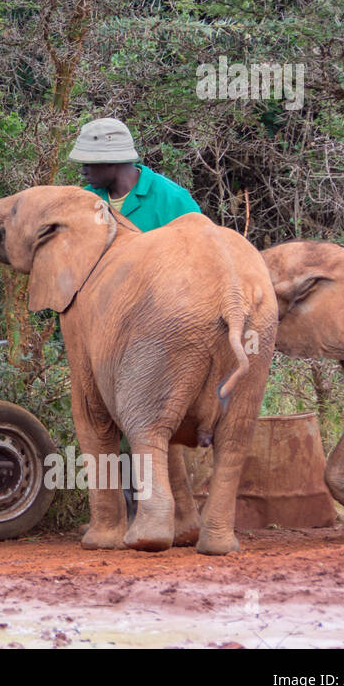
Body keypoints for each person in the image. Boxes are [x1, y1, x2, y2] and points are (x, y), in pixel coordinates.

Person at [69, 115, 202, 518]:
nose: (84, 169)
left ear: (115, 161)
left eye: (91, 161)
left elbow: (202, 265)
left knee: (150, 423)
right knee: (104, 423)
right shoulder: (84, 203)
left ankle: (163, 512)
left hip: (162, 337)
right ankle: (131, 511)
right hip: (101, 335)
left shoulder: (172, 201)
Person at [69, 117, 200, 230]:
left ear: (111, 161)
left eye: (88, 164)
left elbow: (199, 250)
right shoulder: (86, 199)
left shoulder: (173, 200)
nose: (83, 172)